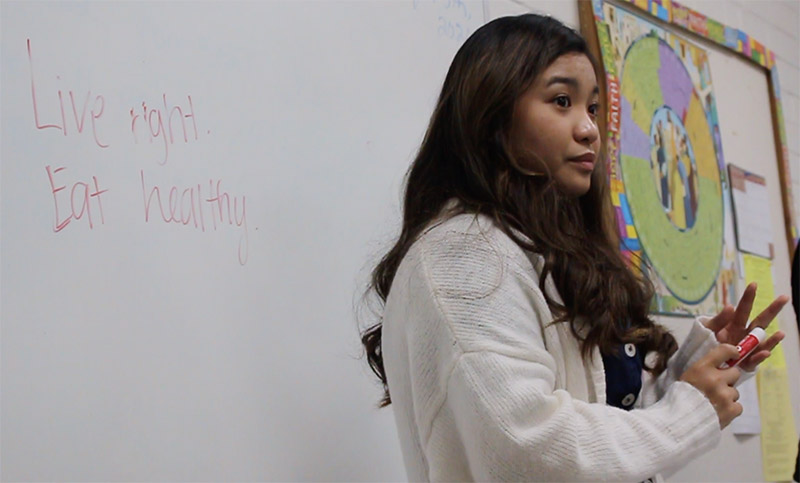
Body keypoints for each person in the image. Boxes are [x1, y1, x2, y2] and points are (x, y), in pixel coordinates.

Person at [360, 14, 788, 482]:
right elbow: (531, 452)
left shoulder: (540, 252)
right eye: (562, 101)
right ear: (492, 114)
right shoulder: (461, 255)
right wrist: (689, 413)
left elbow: (617, 434)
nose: (589, 129)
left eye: (593, 108)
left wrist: (699, 372)